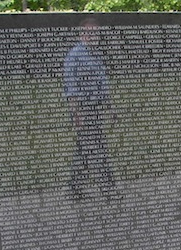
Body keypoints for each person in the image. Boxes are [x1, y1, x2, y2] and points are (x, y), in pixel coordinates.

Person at [63, 18, 116, 199]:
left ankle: (74, 188)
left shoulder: (97, 55)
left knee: (84, 149)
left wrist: (110, 108)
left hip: (96, 108)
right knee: (97, 148)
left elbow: (103, 85)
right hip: (83, 109)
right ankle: (109, 188)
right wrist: (76, 113)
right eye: (90, 32)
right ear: (82, 34)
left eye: (96, 33)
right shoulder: (74, 56)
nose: (94, 36)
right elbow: (71, 87)